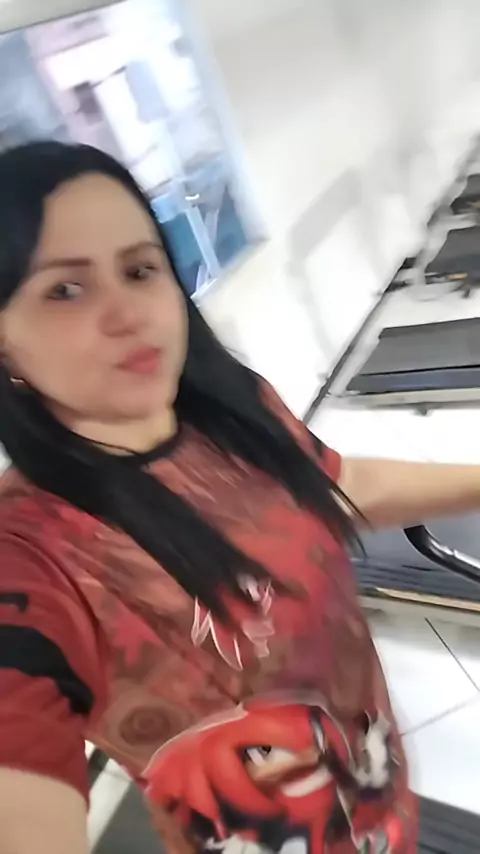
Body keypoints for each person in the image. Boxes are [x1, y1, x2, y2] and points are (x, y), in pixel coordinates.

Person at [0, 141, 479, 854]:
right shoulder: (30, 553)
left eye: (140, 269)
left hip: (383, 809)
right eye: (65, 290)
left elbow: (332, 488)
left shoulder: (232, 409)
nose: (128, 313)